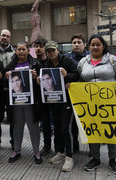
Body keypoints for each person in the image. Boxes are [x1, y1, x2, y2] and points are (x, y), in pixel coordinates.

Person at [77, 34, 116, 175]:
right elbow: (78, 80)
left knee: (112, 130)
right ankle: (95, 158)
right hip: (91, 106)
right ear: (89, 47)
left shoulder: (112, 60)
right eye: (92, 45)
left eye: (98, 44)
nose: (95, 47)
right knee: (93, 130)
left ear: (103, 46)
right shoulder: (83, 62)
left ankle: (113, 159)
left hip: (110, 105)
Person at [43, 41, 79, 172]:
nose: (51, 53)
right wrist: (39, 81)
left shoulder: (67, 60)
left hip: (67, 100)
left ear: (57, 50)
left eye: (53, 50)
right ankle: (60, 152)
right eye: (49, 51)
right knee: (57, 127)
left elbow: (77, 74)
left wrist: (68, 77)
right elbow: (44, 80)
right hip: (54, 99)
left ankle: (69, 156)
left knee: (65, 128)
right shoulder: (46, 64)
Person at [5, 42, 42, 164]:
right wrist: (6, 76)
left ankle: (36, 152)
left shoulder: (35, 64)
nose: (21, 51)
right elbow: (5, 84)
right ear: (16, 51)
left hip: (31, 102)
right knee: (17, 127)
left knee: (33, 128)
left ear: (28, 51)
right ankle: (17, 150)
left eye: (23, 49)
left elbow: (41, 83)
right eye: (19, 49)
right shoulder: (11, 65)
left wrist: (36, 78)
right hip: (16, 102)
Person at [65, 33, 90, 153]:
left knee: (89, 122)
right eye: (74, 43)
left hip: (88, 95)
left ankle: (93, 149)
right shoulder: (66, 57)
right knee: (73, 123)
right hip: (72, 95)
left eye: (79, 42)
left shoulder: (91, 57)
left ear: (84, 44)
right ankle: (74, 146)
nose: (76, 45)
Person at [0, 29, 15, 149]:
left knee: (13, 117)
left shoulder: (15, 52)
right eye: (3, 35)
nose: (5, 38)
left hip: (12, 89)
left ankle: (14, 142)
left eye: (7, 36)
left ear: (10, 39)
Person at [34, 38, 55, 156]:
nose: (38, 48)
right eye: (36, 46)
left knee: (57, 123)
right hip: (40, 98)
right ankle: (47, 146)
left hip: (53, 96)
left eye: (40, 46)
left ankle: (59, 146)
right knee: (45, 124)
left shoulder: (51, 61)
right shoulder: (32, 63)